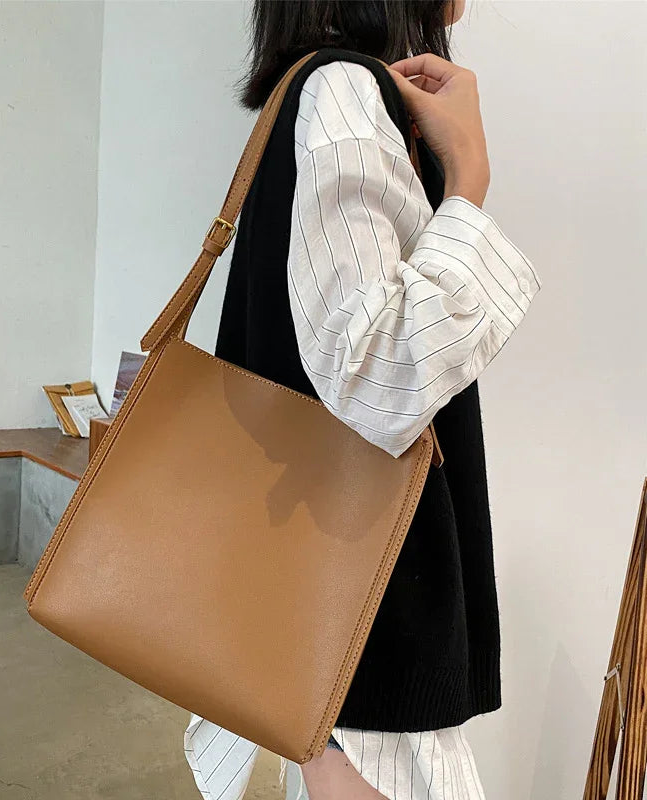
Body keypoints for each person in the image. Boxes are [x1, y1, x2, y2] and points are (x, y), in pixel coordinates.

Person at [184, 2, 541, 798]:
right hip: (367, 631)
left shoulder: (323, 90)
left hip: (332, 622)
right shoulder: (342, 91)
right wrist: (471, 177)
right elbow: (377, 380)